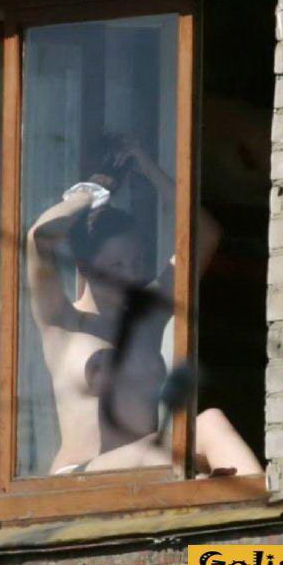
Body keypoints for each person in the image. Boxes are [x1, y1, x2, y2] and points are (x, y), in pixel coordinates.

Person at [26, 140, 263, 477]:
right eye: (116, 264)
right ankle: (266, 504)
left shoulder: (146, 315)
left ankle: (252, 500)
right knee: (208, 427)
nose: (130, 274)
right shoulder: (63, 322)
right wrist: (91, 192)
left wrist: (148, 168)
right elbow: (39, 238)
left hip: (146, 475)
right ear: (84, 267)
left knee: (205, 454)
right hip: (79, 479)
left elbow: (206, 234)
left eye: (136, 261)